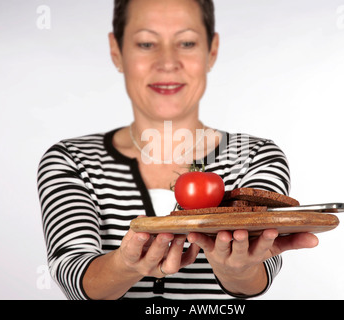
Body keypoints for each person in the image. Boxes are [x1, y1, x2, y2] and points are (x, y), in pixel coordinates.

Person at [37, 0, 318, 300]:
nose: (167, 62)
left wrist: (239, 269)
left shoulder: (255, 156)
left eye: (186, 42)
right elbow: (72, 273)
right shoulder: (70, 160)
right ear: (116, 51)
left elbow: (259, 271)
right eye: (146, 43)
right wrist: (124, 266)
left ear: (211, 51)